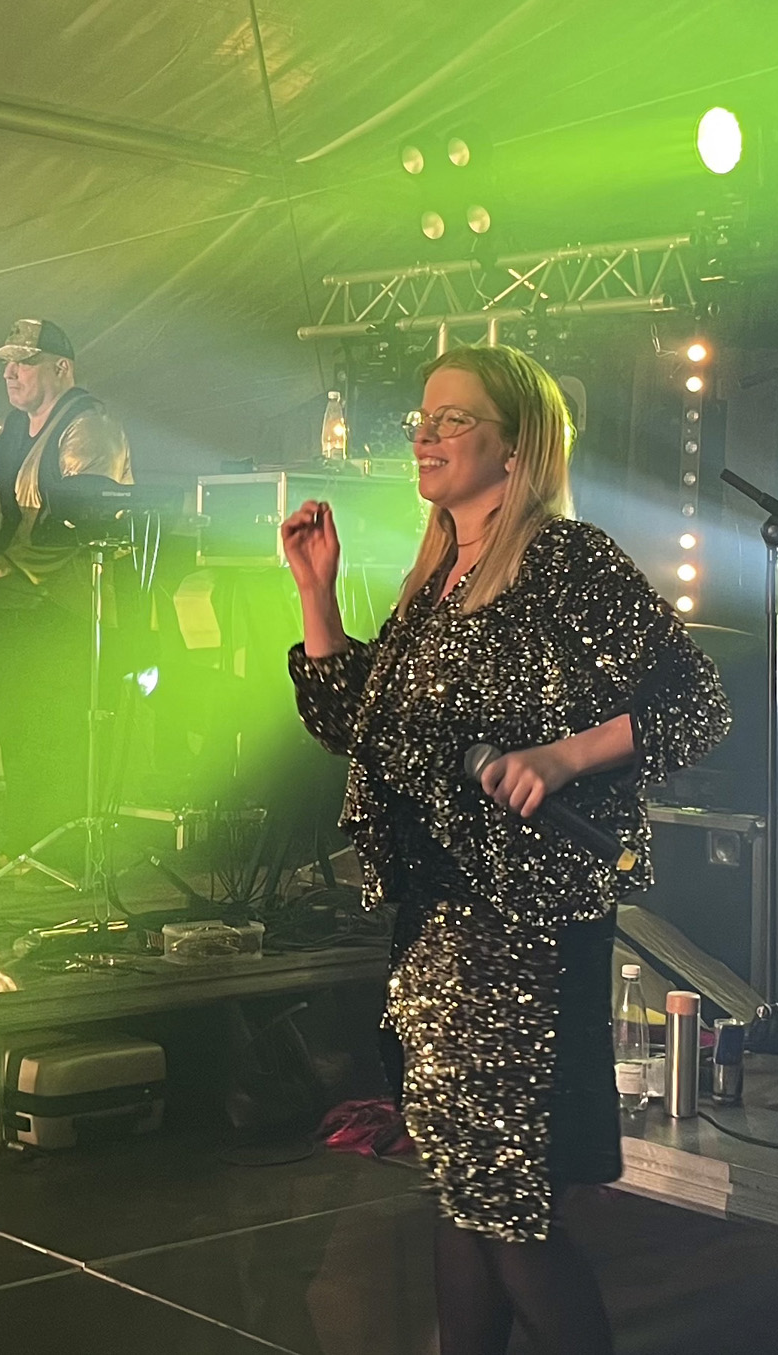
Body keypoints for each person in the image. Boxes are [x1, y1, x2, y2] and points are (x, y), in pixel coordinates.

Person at [281, 344, 730, 1355]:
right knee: (464, 1191)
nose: (426, 435)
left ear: (516, 446)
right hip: (438, 923)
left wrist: (564, 757)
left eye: (453, 419)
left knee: (502, 1211)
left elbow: (696, 702)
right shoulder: (437, 580)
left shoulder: (564, 561)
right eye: (422, 417)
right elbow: (363, 729)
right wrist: (317, 596)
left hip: (520, 927)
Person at [0, 317, 134, 847]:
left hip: (68, 613)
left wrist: (13, 565)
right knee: (14, 722)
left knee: (56, 731)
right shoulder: (9, 430)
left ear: (61, 368)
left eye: (23, 362)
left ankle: (61, 851)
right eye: (6, 364)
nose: (9, 373)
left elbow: (82, 517)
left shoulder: (90, 426)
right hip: (17, 608)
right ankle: (27, 842)